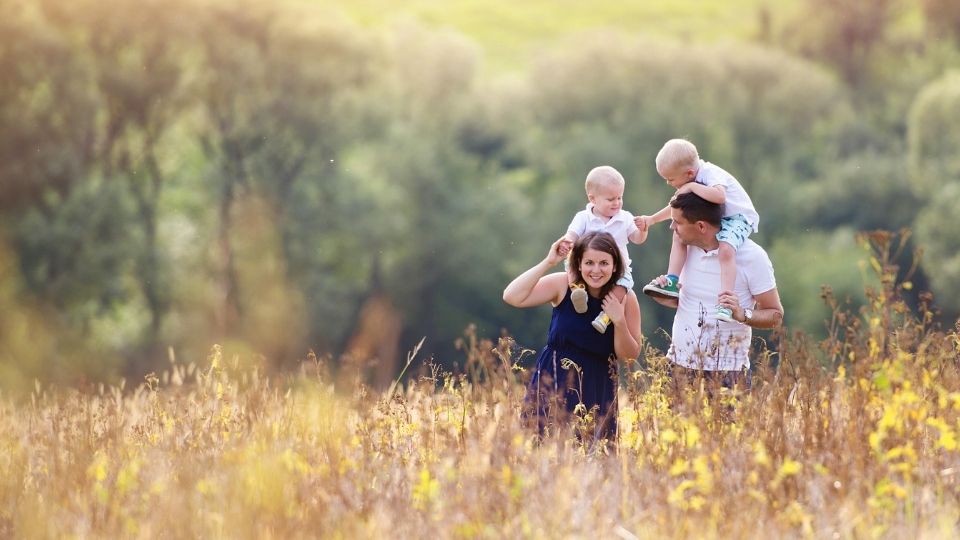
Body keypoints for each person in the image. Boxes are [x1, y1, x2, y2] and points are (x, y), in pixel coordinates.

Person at [503, 231, 642, 441]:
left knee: (592, 458)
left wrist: (619, 320)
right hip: (553, 379)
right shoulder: (563, 285)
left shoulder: (625, 298)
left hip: (597, 386)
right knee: (540, 450)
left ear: (615, 266)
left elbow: (630, 356)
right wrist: (549, 261)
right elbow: (512, 296)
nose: (596, 270)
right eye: (589, 263)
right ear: (578, 264)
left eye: (604, 263)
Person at [648, 192, 783, 392]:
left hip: (729, 373)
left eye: (677, 222)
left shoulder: (753, 257)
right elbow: (688, 304)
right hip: (677, 367)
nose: (672, 227)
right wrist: (665, 295)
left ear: (701, 226)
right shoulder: (684, 251)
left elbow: (775, 315)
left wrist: (742, 314)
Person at [637, 139, 759, 323]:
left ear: (689, 173)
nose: (669, 184)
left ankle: (726, 301)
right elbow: (675, 207)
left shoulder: (710, 174)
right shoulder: (690, 180)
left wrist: (692, 187)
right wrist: (652, 219)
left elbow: (719, 196)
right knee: (678, 234)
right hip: (715, 217)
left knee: (726, 249)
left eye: (670, 179)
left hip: (737, 218)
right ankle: (672, 280)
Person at [559, 166, 647, 334]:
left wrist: (643, 230)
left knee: (623, 286)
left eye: (620, 197)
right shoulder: (583, 217)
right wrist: (567, 242)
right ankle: (578, 291)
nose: (617, 203)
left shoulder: (625, 217)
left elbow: (637, 239)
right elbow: (572, 234)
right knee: (570, 263)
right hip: (587, 265)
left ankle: (605, 316)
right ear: (592, 199)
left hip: (617, 268)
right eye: (610, 199)